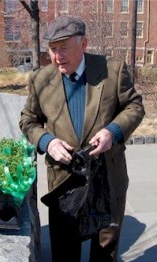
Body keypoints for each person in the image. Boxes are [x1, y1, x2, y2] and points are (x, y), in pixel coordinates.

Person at [19, 16, 145, 261]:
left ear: (84, 44)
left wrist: (113, 131)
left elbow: (134, 107)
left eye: (64, 48)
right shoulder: (41, 79)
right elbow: (28, 120)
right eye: (53, 49)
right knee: (65, 248)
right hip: (65, 182)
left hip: (108, 176)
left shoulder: (112, 70)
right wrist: (47, 142)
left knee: (105, 249)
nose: (57, 57)